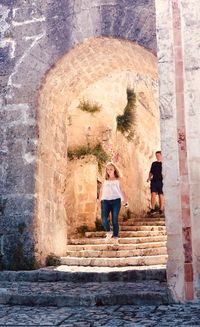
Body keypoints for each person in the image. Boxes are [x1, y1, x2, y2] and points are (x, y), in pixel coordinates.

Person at [98, 162, 128, 242]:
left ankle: (115, 238)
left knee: (114, 219)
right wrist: (98, 201)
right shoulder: (104, 180)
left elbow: (122, 190)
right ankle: (108, 232)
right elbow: (101, 191)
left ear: (114, 169)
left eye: (111, 169)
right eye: (107, 169)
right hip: (105, 201)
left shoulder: (118, 179)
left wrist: (125, 200)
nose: (109, 171)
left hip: (116, 200)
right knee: (104, 219)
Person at [147, 151, 164, 216]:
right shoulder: (154, 163)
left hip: (161, 181)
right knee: (153, 194)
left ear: (161, 155)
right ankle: (152, 208)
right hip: (154, 181)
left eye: (158, 155)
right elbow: (151, 172)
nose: (157, 156)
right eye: (156, 155)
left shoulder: (164, 163)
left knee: (160, 195)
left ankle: (161, 209)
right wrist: (149, 178)